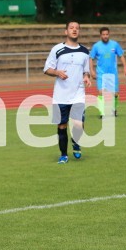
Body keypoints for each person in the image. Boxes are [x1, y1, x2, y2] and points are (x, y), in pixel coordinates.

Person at [44, 21, 92, 164]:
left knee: (79, 124)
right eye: (71, 28)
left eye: (77, 28)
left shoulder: (84, 51)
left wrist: (86, 77)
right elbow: (47, 69)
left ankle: (76, 142)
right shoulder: (57, 49)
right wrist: (57, 72)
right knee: (62, 125)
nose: (74, 30)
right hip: (60, 95)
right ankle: (64, 155)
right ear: (66, 31)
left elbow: (86, 70)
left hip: (78, 93)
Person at [90, 26, 126, 118]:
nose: (105, 36)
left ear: (109, 34)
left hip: (112, 74)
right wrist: (91, 71)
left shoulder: (114, 44)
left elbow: (121, 55)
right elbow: (91, 58)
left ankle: (114, 110)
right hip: (101, 74)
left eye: (107, 34)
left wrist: (125, 66)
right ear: (100, 35)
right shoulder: (96, 46)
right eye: (103, 34)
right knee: (100, 93)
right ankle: (102, 113)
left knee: (115, 94)